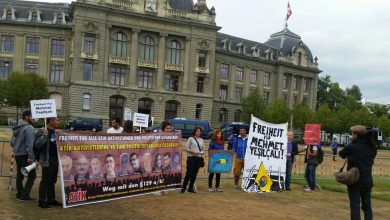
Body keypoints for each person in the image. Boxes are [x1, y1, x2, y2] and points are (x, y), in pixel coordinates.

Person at [339, 125, 377, 220]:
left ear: (356, 134)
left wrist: (352, 142)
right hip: (367, 179)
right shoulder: (372, 146)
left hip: (354, 179)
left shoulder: (353, 145)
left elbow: (342, 154)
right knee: (367, 206)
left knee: (355, 205)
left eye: (352, 133)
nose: (351, 135)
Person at [11, 110, 36, 201]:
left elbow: (12, 143)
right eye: (32, 116)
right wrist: (31, 157)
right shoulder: (29, 128)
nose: (34, 119)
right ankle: (24, 195)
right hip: (25, 155)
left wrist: (18, 147)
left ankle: (20, 193)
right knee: (32, 175)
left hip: (18, 154)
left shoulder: (17, 128)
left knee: (19, 174)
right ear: (26, 117)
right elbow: (29, 144)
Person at [37, 117, 62, 208]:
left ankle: (51, 199)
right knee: (45, 180)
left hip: (55, 158)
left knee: (52, 180)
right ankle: (42, 201)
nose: (58, 122)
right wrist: (44, 136)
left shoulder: (57, 131)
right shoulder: (42, 130)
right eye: (57, 120)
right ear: (51, 121)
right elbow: (37, 144)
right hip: (47, 159)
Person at [181, 127, 205, 193]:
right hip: (191, 157)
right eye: (197, 131)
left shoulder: (202, 140)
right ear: (194, 132)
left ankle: (190, 188)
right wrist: (192, 152)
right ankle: (183, 187)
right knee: (189, 173)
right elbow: (186, 148)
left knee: (194, 174)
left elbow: (203, 149)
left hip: (198, 158)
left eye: (200, 131)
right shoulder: (190, 139)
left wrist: (201, 152)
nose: (199, 132)